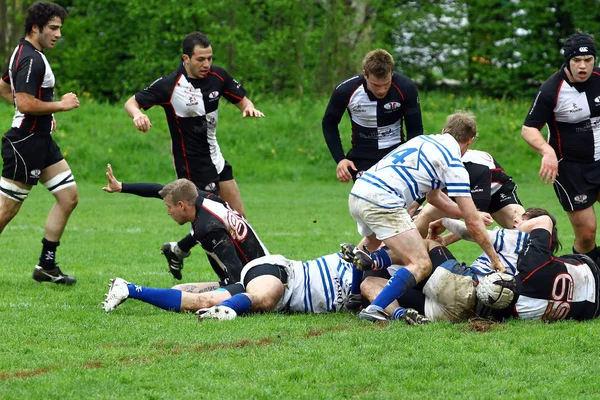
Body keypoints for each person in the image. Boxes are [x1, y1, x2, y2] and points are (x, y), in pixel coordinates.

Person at [344, 110, 505, 322]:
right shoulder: (454, 163)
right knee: (421, 263)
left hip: (360, 191)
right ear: (470, 140)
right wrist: (495, 260)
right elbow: (473, 222)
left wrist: (467, 212)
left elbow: (434, 197)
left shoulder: (423, 141)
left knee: (371, 242)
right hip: (383, 200)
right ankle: (374, 309)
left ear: (444, 130)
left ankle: (355, 297)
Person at [124, 31, 263, 219]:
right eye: (200, 59)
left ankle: (178, 249)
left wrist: (248, 107)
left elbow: (244, 101)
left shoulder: (218, 76)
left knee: (239, 218)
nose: (206, 64)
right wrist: (137, 114)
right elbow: (131, 103)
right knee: (213, 222)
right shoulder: (170, 85)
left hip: (216, 158)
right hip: (193, 164)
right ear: (186, 58)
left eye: (210, 58)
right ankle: (180, 248)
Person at [102, 251, 426, 324]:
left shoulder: (383, 280)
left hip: (277, 288)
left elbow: (376, 291)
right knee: (264, 298)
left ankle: (130, 289)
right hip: (284, 275)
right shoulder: (381, 264)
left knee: (198, 300)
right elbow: (372, 285)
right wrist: (398, 315)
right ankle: (228, 311)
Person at [360, 208, 567, 322]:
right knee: (369, 283)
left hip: (466, 286)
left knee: (425, 245)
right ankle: (400, 315)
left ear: (529, 222)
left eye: (520, 219)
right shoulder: (537, 263)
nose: (514, 223)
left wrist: (446, 220)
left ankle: (377, 259)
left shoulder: (520, 238)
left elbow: (474, 233)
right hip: (465, 313)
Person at [0, 1, 79, 285]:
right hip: (26, 143)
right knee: (6, 210)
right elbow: (25, 101)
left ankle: (46, 266)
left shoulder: (26, 52)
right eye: (53, 28)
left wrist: (41, 114)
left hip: (40, 139)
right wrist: (59, 105)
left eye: (60, 28)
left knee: (68, 197)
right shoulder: (31, 58)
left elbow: (5, 88)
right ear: (36, 28)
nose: (58, 34)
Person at [102, 164, 268, 283]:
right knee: (183, 291)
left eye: (169, 207)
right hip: (266, 265)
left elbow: (237, 275)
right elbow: (159, 190)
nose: (168, 212)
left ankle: (177, 252)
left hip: (260, 281)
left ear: (181, 205)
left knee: (183, 293)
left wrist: (223, 296)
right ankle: (177, 251)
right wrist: (121, 187)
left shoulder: (207, 228)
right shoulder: (203, 199)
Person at [522, 31, 600, 266]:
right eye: (577, 60)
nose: (583, 66)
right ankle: (589, 280)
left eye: (588, 60)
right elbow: (529, 129)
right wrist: (547, 151)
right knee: (587, 234)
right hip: (571, 170)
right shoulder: (551, 89)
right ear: (568, 61)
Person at [322, 49, 423, 183]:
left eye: (386, 84)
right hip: (362, 158)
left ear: (392, 73)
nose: (381, 90)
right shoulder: (345, 90)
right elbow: (329, 123)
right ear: (365, 74)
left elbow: (415, 129)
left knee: (400, 203)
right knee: (369, 200)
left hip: (396, 155)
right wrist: (340, 159)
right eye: (376, 85)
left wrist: (412, 158)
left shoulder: (405, 87)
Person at [413, 149, 525, 239]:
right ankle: (406, 257)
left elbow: (475, 222)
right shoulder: (433, 164)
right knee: (425, 215)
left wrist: (445, 241)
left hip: (496, 191)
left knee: (523, 226)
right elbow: (418, 201)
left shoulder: (476, 170)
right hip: (460, 188)